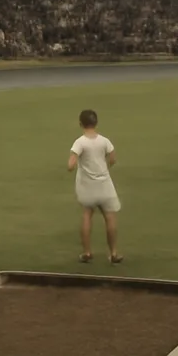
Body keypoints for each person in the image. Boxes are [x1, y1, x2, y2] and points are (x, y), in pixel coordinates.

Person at [67, 109, 123, 265]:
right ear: (96, 123)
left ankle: (87, 252)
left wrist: (73, 165)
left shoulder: (80, 142)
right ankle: (113, 253)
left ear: (80, 124)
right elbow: (113, 159)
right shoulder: (104, 141)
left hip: (87, 186)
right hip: (105, 184)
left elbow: (71, 164)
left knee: (87, 215)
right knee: (110, 217)